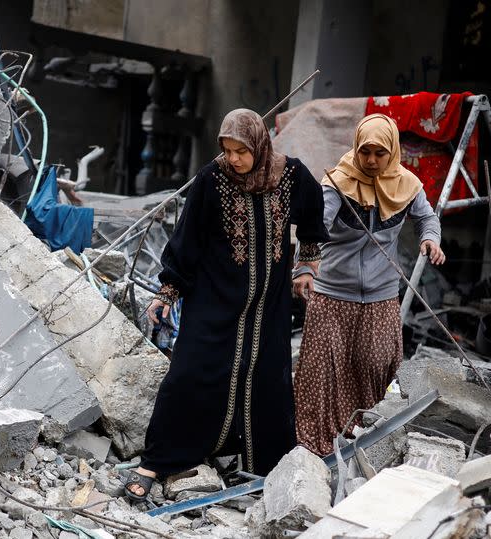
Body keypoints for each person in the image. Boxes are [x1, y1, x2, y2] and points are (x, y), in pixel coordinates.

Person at [124, 108, 328, 501]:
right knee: (188, 375)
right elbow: (187, 241)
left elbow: (313, 209)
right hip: (213, 302)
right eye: (227, 149)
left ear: (259, 146)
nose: (233, 159)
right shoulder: (211, 180)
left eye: (241, 151)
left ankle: (262, 468)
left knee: (268, 382)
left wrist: (306, 263)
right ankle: (155, 462)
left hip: (267, 308)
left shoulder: (288, 174)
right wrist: (168, 291)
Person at [292, 113, 445, 457]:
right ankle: (316, 448)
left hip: (381, 294)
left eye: (379, 153)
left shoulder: (407, 184)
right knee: (324, 372)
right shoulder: (336, 183)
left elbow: (426, 217)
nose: (372, 161)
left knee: (375, 364)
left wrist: (430, 239)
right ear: (356, 150)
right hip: (332, 292)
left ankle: (368, 442)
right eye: (366, 153)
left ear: (391, 151)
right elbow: (315, 226)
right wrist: (304, 267)